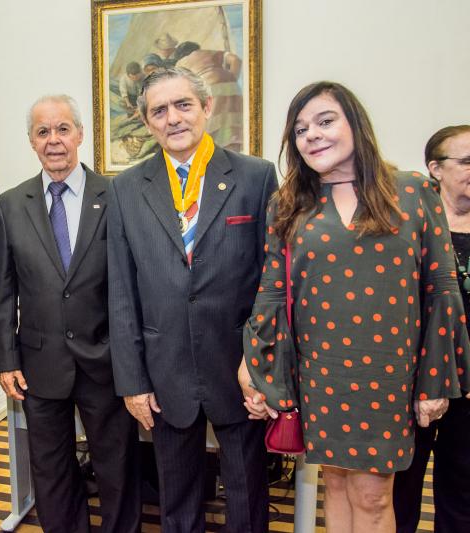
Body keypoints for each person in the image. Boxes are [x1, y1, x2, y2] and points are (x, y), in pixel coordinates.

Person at [238, 83, 470, 533]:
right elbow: (272, 292)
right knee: (337, 485)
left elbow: (441, 289)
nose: (312, 134)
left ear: (355, 124)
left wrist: (435, 378)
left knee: (373, 495)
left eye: (325, 121)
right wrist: (255, 363)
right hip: (320, 373)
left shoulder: (412, 191)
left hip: (388, 376)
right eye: (300, 129)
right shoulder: (289, 202)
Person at [108, 67, 277, 532]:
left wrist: (263, 363)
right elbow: (121, 291)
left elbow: (274, 280)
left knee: (247, 493)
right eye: (159, 111)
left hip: (238, 366)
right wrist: (132, 381)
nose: (173, 118)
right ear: (147, 123)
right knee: (177, 498)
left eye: (183, 105)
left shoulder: (256, 177)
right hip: (165, 370)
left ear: (207, 107)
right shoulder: (125, 188)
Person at [0, 95, 141, 533]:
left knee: (116, 465)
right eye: (43, 132)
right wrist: (5, 359)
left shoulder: (116, 195)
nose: (53, 140)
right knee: (51, 468)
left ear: (80, 134)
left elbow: (133, 282)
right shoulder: (10, 204)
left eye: (62, 129)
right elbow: (4, 289)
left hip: (105, 359)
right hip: (40, 363)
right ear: (31, 141)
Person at [393, 125, 470, 533]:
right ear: (435, 169)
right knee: (400, 488)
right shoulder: (405, 225)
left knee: (462, 491)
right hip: (412, 379)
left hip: (468, 384)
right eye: (467, 161)